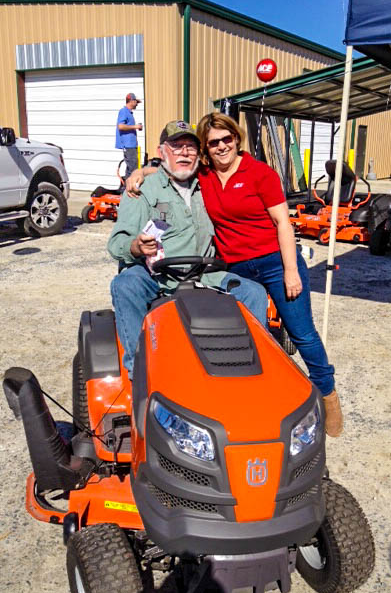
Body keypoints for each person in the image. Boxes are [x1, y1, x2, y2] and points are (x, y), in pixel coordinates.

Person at [126, 113, 343, 438]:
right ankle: (252, 399)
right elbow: (170, 168)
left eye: (226, 139)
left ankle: (327, 395)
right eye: (213, 142)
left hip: (273, 261)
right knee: (245, 336)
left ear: (237, 139)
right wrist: (140, 172)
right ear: (206, 149)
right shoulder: (206, 175)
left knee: (302, 333)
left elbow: (283, 223)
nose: (221, 146)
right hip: (234, 266)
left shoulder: (260, 174)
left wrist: (290, 271)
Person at [108, 119, 268, 378]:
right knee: (125, 285)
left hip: (205, 274)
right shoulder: (141, 191)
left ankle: (253, 372)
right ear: (162, 152)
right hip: (156, 277)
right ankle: (140, 373)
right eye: (176, 146)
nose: (184, 152)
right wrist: (136, 246)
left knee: (254, 293)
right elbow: (116, 244)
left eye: (191, 147)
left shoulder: (208, 182)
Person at [116, 93, 143, 179]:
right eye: (136, 102)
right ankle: (129, 189)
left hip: (131, 145)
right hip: (128, 145)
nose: (137, 105)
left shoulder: (129, 113)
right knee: (133, 169)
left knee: (130, 169)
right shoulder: (123, 111)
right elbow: (120, 126)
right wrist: (135, 126)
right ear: (131, 101)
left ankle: (125, 190)